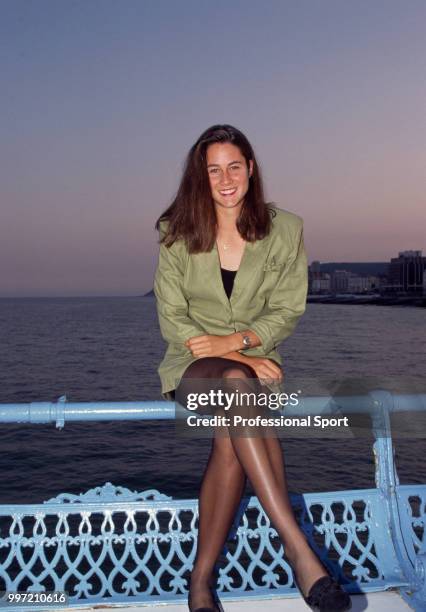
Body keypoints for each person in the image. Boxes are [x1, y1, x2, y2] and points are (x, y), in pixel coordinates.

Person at [153, 125, 351, 612]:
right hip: (193, 365)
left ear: (250, 169)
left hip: (253, 368)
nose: (224, 179)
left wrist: (238, 344)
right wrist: (238, 352)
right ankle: (298, 548)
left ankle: (200, 584)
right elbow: (173, 321)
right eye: (213, 169)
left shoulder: (285, 229)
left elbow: (287, 309)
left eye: (233, 167)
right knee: (237, 381)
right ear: (200, 177)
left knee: (232, 426)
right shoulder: (176, 231)